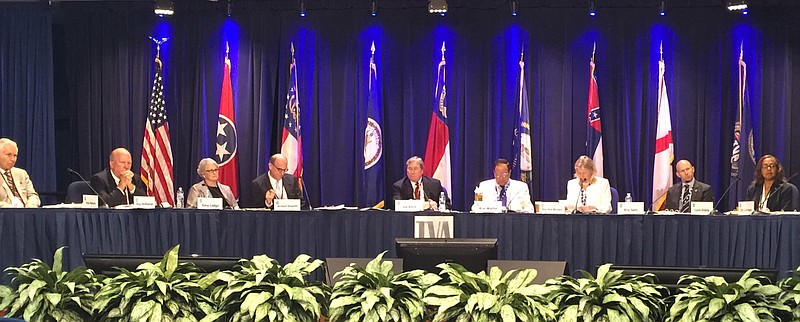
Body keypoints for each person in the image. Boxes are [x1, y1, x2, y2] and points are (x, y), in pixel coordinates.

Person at [0, 138, 40, 208]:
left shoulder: (21, 174)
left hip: (25, 215)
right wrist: (11, 208)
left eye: (15, 156)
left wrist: (30, 205)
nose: (13, 159)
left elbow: (33, 195)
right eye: (9, 155)